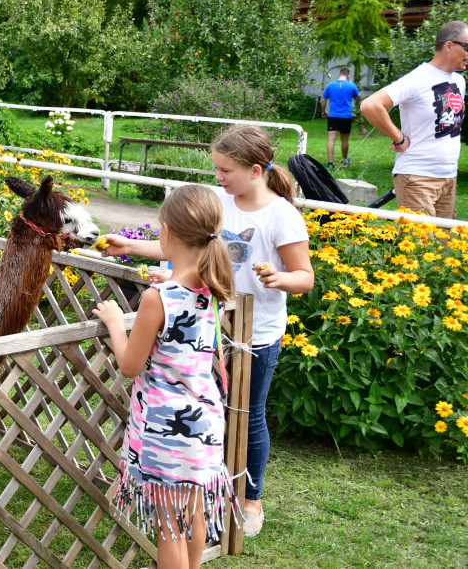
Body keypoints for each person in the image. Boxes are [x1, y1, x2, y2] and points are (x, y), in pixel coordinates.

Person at [102, 125, 314, 538]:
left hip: (256, 334)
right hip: (208, 328)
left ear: (256, 171)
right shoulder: (218, 201)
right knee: (209, 409)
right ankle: (208, 486)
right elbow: (183, 245)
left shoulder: (281, 216)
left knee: (249, 417)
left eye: (225, 170)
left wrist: (279, 279)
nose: (218, 177)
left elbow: (305, 277)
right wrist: (132, 247)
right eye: (216, 168)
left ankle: (251, 498)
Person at [93, 184, 239, 569]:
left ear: (167, 232)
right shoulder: (217, 289)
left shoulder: (157, 299)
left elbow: (130, 365)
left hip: (165, 429)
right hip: (206, 423)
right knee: (193, 518)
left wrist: (113, 322)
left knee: (168, 529)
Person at [361, 20, 467, 219]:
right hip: (418, 177)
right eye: (467, 46)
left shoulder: (459, 81)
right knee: (419, 246)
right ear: (449, 45)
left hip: (448, 177)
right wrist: (399, 138)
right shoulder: (419, 78)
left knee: (445, 247)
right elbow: (370, 105)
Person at [321, 66, 360, 169]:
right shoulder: (351, 85)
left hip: (333, 115)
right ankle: (344, 161)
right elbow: (358, 98)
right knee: (345, 140)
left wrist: (323, 111)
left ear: (339, 74)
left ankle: (330, 163)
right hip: (346, 116)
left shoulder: (330, 85)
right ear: (347, 76)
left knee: (331, 139)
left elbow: (323, 100)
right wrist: (352, 84)